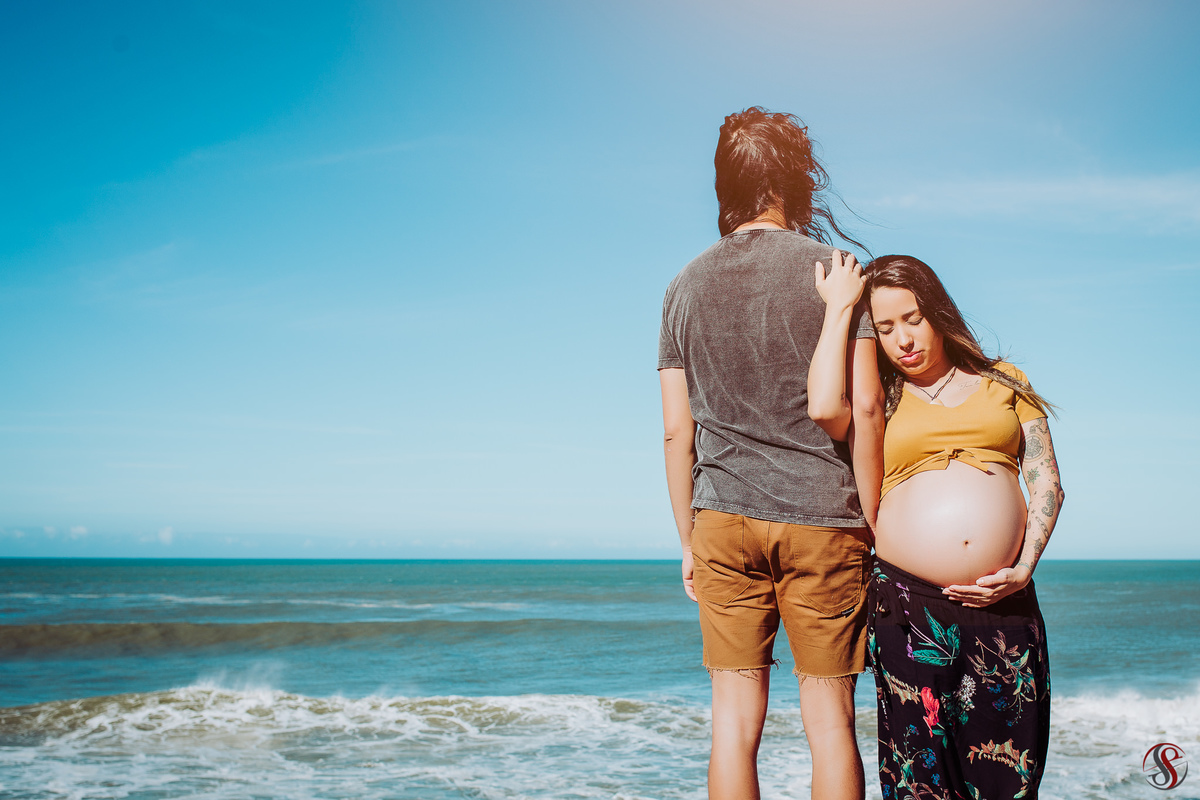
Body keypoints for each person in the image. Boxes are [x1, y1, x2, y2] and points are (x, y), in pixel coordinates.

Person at [658, 106, 884, 800]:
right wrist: (878, 524)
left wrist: (689, 540)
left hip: (722, 516)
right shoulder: (839, 272)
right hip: (824, 519)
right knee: (831, 725)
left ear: (725, 182)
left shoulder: (683, 286)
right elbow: (867, 408)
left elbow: (676, 430)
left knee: (732, 724)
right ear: (794, 178)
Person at [808, 253, 1064, 800]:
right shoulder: (880, 398)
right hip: (908, 605)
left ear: (938, 312)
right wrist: (840, 308)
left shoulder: (1006, 381)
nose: (903, 338)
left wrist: (1022, 568)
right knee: (920, 779)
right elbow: (826, 407)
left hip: (1004, 603)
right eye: (885, 326)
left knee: (1009, 774)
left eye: (914, 318)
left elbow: (1047, 482)